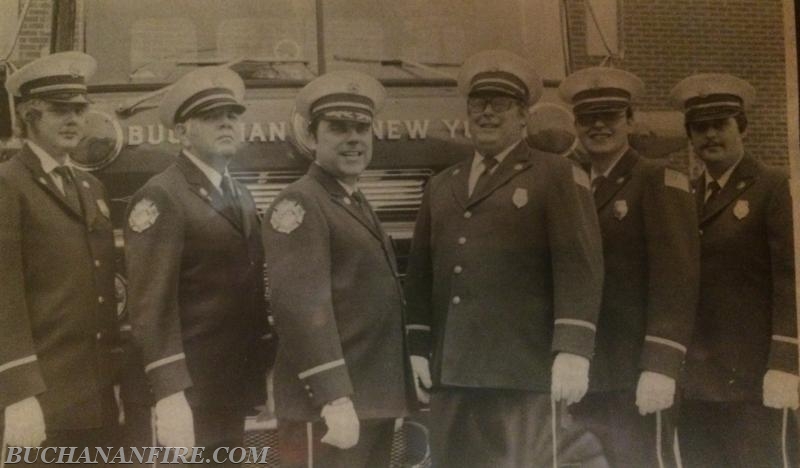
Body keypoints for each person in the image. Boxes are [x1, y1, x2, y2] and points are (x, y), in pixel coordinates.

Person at [403, 49, 606, 467]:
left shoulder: (555, 174)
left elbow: (580, 267)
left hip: (520, 369)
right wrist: (418, 346)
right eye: (478, 105)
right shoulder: (443, 185)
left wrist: (572, 350)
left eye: (501, 105)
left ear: (522, 116)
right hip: (454, 372)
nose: (487, 114)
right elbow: (421, 274)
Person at [262, 70, 412, 468]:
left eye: (362, 128)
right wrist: (333, 395)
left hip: (369, 398)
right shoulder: (301, 203)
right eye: (339, 128)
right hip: (328, 407)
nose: (354, 139)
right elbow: (298, 306)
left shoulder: (352, 201)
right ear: (312, 138)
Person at [124, 66, 270, 466]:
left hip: (230, 386)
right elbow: (151, 306)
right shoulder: (162, 196)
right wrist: (170, 393)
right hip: (189, 392)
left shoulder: (238, 194)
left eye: (233, 115)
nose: (226, 122)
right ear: (183, 132)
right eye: (210, 116)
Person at [559, 66, 700, 468]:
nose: (599, 125)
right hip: (584, 368)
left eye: (611, 115)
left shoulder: (658, 178)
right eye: (588, 117)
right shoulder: (569, 183)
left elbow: (677, 278)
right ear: (576, 124)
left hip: (635, 371)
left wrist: (661, 365)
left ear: (631, 120)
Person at [670, 73, 799, 467]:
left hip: (753, 377)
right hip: (697, 380)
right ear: (689, 136)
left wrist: (785, 362)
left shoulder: (775, 188)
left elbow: (790, 279)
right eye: (699, 128)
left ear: (742, 127)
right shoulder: (683, 195)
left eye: (719, 125)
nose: (710, 135)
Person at [0, 52, 120, 464]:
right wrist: (17, 393)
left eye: (79, 109)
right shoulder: (7, 185)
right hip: (42, 401)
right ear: (30, 115)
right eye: (58, 110)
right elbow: (4, 295)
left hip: (98, 396)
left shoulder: (90, 186)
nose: (73, 120)